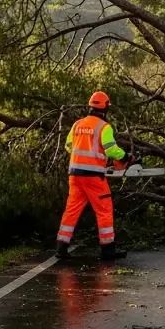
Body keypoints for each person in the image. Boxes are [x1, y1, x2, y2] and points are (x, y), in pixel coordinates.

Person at [55, 91, 129, 260]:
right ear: (105, 107)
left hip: (74, 175)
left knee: (71, 211)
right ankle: (108, 251)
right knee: (104, 211)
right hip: (94, 177)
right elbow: (111, 149)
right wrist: (125, 157)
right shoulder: (104, 127)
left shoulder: (77, 124)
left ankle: (61, 248)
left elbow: (68, 146)